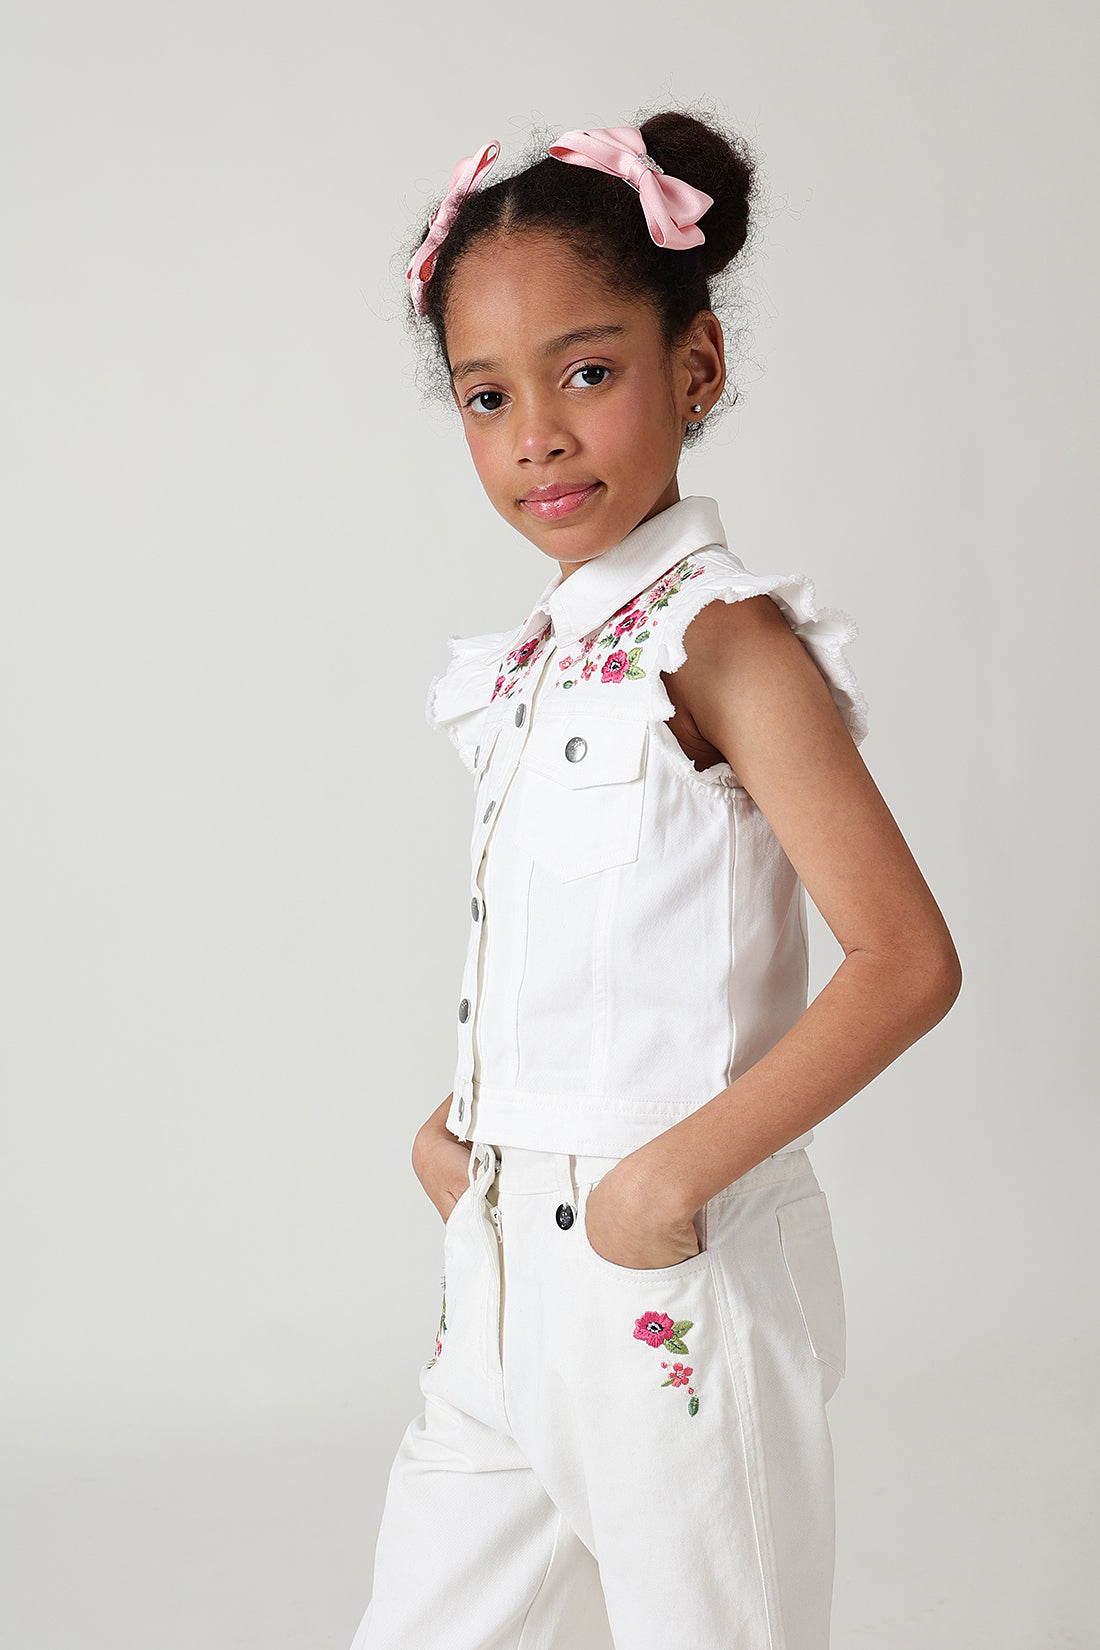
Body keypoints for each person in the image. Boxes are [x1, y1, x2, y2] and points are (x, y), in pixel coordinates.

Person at [348, 110, 962, 1650]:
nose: (538, 435)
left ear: (696, 367)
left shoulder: (723, 640)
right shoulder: (536, 662)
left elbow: (904, 958)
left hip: (663, 1282)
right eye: (489, 394)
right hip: (499, 1284)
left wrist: (662, 1183)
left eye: (587, 372)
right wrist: (466, 1127)